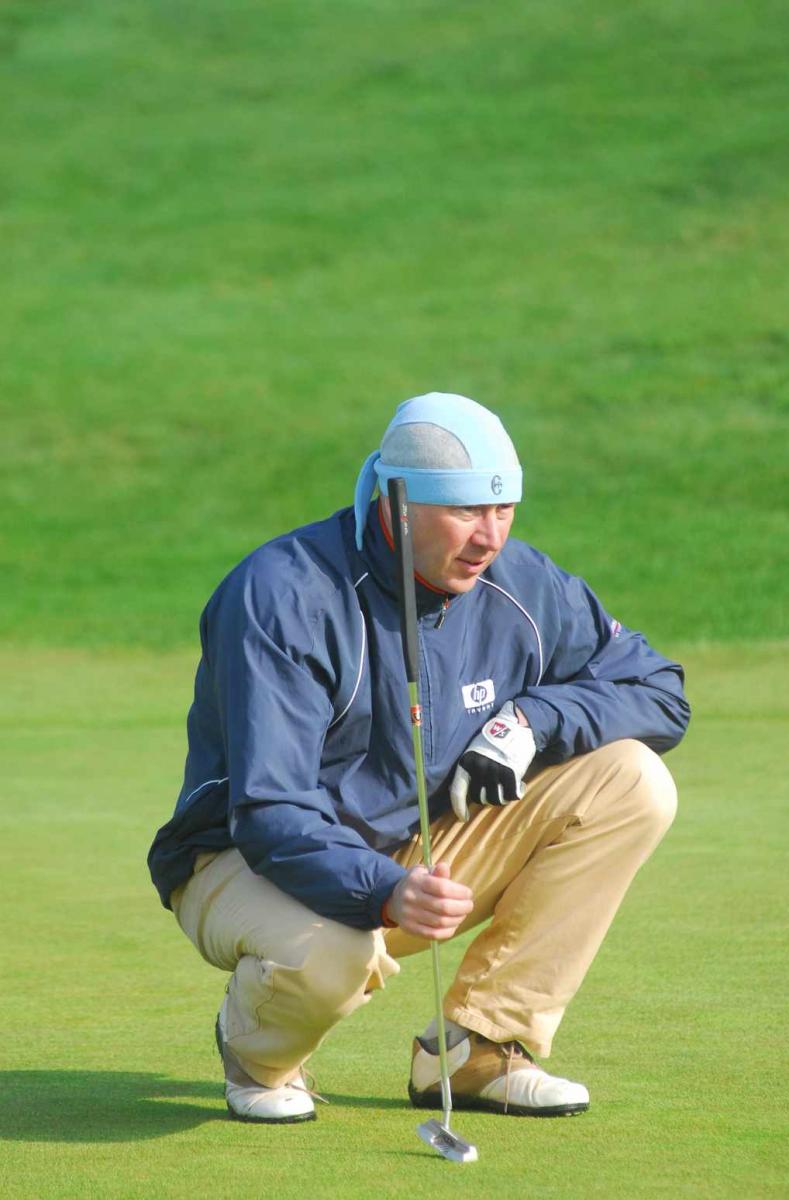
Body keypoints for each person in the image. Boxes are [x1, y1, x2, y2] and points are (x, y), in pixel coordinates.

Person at [148, 392, 690, 1125]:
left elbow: (658, 690)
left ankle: (478, 1047)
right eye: (465, 510)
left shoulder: (523, 584)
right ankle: (258, 1053)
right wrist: (384, 889)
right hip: (242, 859)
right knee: (333, 955)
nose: (489, 536)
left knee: (632, 780)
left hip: (416, 857)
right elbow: (272, 809)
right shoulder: (283, 593)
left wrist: (535, 720)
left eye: (503, 509)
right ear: (396, 502)